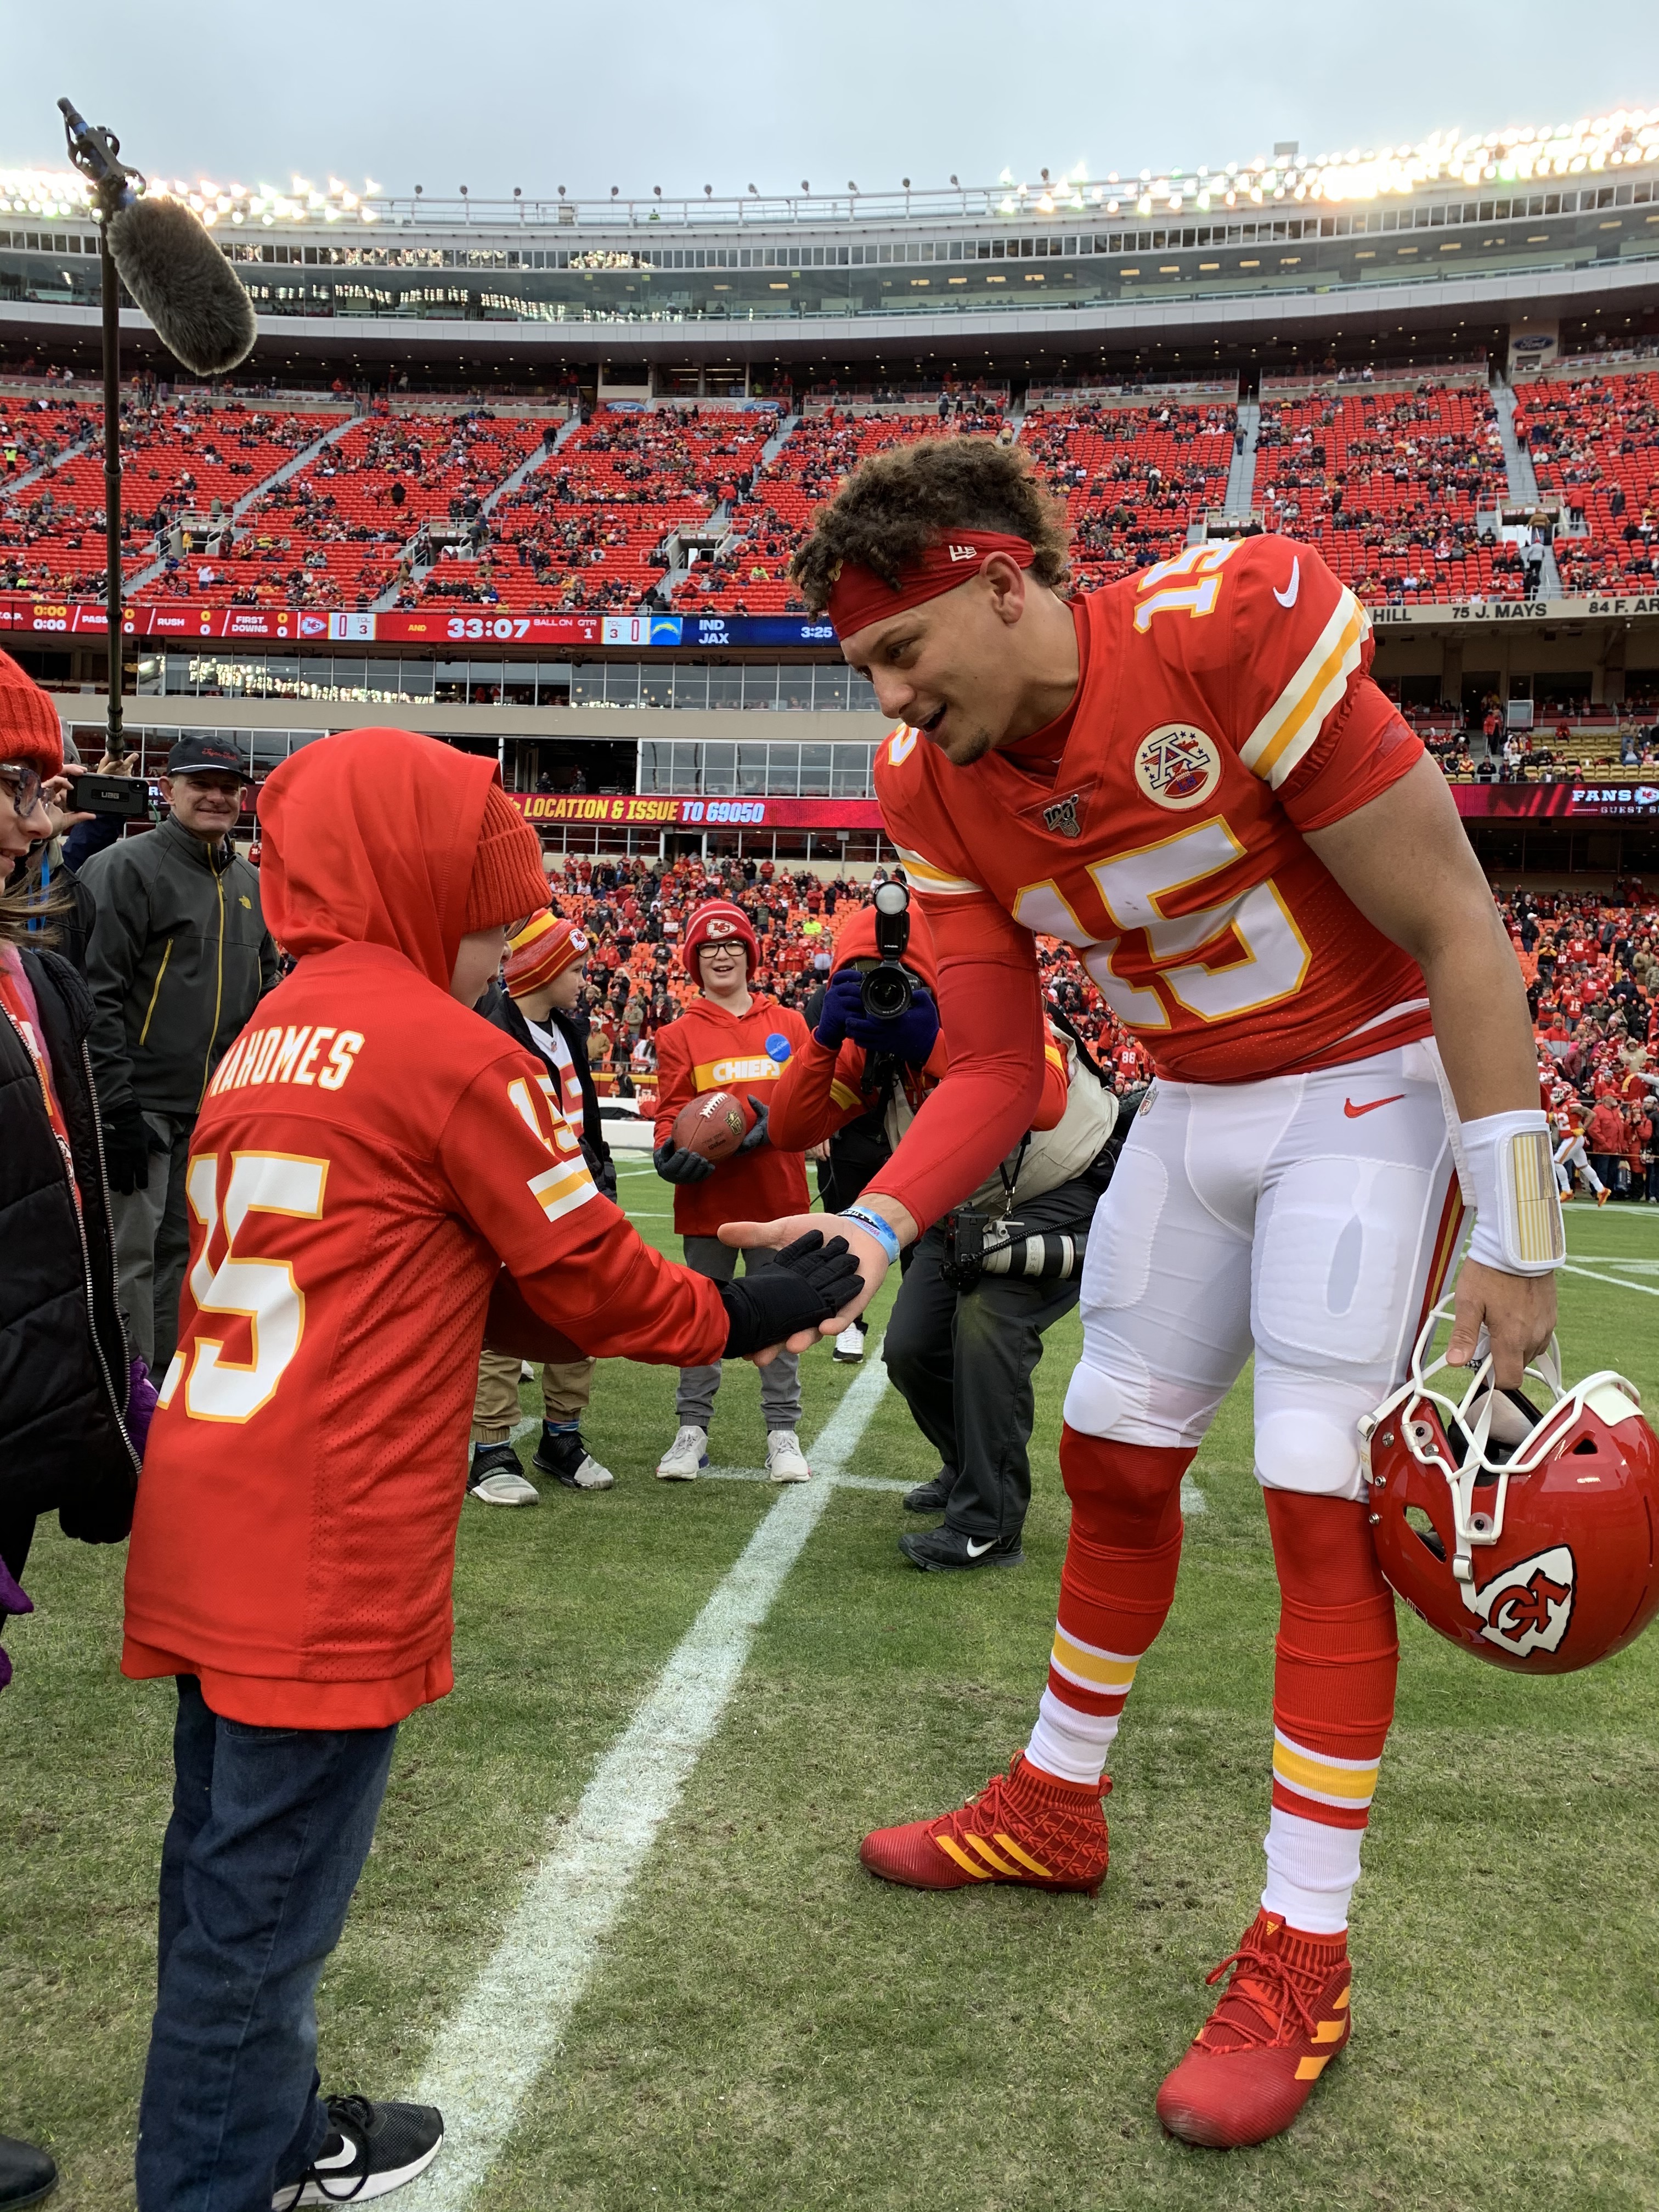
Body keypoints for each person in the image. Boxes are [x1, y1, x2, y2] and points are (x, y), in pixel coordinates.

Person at [727, 438, 1564, 2149]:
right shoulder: (933, 786)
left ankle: (1304, 1947)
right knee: (1111, 1447)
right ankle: (1057, 1798)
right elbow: (985, 1069)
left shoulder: (1227, 626)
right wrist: (873, 1228)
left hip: (1369, 1085)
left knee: (1317, 1498)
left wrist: (1519, 1235)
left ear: (1004, 582)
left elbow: (1464, 927)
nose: (890, 699)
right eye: (866, 670)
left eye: (902, 652)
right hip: (1192, 1104)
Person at [120, 729, 858, 2212]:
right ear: (420, 878)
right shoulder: (441, 1046)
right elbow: (586, 1278)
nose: (493, 952)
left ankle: (266, 2130)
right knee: (258, 1916)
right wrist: (740, 1306)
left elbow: (441, 1262)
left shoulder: (275, 1025)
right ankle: (220, 2176)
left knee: (221, 1882)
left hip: (217, 1506)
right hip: (323, 1538)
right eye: (480, 916)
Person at [771, 895, 1123, 1568]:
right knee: (910, 1348)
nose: (887, 991)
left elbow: (1041, 1102)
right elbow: (791, 1130)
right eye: (865, 974)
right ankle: (969, 1470)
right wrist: (824, 1040)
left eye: (898, 975)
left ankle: (987, 1524)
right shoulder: (870, 1050)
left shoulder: (1003, 1011)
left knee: (989, 1324)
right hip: (958, 1209)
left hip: (1061, 1187)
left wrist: (931, 1043)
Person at [0, 655, 149, 2212]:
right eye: (21, 781)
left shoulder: (28, 977)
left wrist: (96, 1433)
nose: (48, 811)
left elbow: (63, 1243)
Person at [78, 734, 277, 1372]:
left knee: (190, 1258)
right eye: (202, 784)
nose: (217, 797)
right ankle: (121, 1398)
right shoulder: (125, 867)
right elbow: (93, 993)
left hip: (213, 1112)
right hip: (138, 1105)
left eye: (229, 787)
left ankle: (162, 1392)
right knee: (127, 1258)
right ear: (168, 789)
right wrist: (114, 1102)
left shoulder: (253, 883)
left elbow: (267, 996)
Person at [651, 899, 814, 1482]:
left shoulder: (791, 1025)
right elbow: (671, 1112)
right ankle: (692, 1431)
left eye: (733, 945)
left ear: (751, 954)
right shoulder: (678, 1033)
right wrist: (669, 1150)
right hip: (710, 1203)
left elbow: (807, 1100)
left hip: (778, 1199)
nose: (722, 955)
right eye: (710, 948)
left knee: (780, 1320)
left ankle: (783, 1433)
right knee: (702, 1317)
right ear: (695, 961)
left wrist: (783, 1123)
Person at [467, 910, 618, 1502]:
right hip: (515, 1200)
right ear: (544, 967)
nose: (584, 980)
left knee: (583, 1315)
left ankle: (563, 1436)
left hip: (577, 1196)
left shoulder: (571, 1032)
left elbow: (590, 1122)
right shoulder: (491, 1028)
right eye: (576, 968)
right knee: (506, 1322)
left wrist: (602, 1176)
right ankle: (491, 1449)